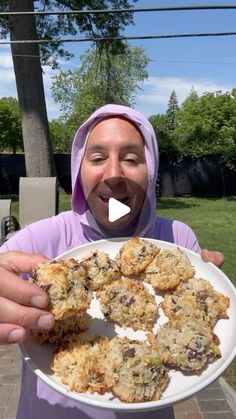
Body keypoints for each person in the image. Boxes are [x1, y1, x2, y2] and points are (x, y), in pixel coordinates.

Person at [0, 104, 223, 419]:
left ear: (152, 170)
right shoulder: (41, 239)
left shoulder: (177, 239)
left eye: (132, 159)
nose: (115, 173)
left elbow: (201, 315)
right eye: (98, 157)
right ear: (79, 169)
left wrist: (207, 286)